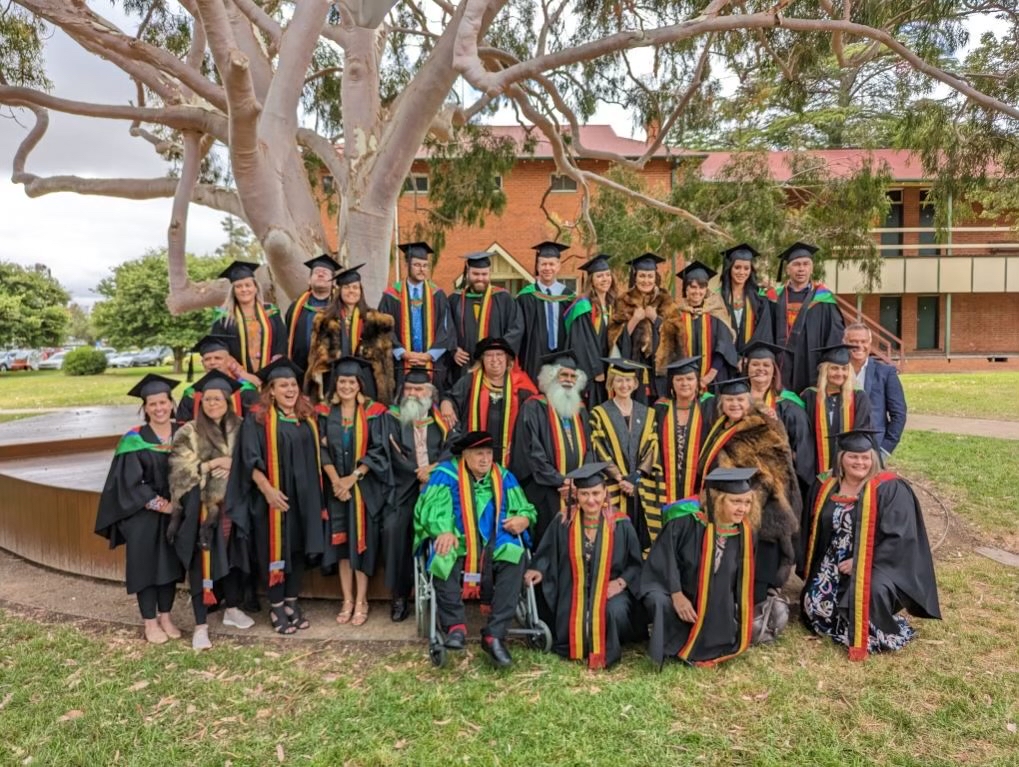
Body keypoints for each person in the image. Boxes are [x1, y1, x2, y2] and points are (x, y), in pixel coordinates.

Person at [801, 429, 941, 660]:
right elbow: (811, 527)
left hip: (878, 562)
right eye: (853, 456)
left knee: (865, 599)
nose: (860, 462)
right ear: (841, 458)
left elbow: (901, 537)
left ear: (873, 458)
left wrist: (861, 560)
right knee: (814, 606)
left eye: (866, 457)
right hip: (832, 560)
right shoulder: (826, 485)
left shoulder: (889, 488)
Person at [414, 431, 537, 668]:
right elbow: (430, 509)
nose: (485, 459)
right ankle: (455, 627)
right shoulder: (446, 475)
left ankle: (494, 634)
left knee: (515, 556)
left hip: (497, 539)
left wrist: (523, 519)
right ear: (465, 456)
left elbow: (525, 507)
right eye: (479, 453)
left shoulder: (503, 476)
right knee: (443, 555)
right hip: (457, 538)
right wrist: (443, 530)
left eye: (489, 453)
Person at [226, 357, 326, 635]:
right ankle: (276, 604)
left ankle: (292, 601)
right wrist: (268, 491)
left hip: (304, 499)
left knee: (296, 548)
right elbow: (248, 459)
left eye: (293, 384)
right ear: (271, 390)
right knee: (275, 549)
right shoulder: (258, 418)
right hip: (272, 498)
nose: (290, 390)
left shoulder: (306, 415)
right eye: (283, 385)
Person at [524, 462, 646, 669]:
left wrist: (620, 583)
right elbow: (546, 552)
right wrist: (538, 568)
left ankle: (607, 648)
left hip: (609, 588)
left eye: (596, 493)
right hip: (573, 587)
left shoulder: (621, 524)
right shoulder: (564, 521)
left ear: (605, 493)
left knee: (614, 611)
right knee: (562, 604)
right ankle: (576, 643)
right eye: (585, 494)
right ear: (576, 496)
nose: (591, 500)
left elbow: (636, 565)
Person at [698, 378, 801, 623]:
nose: (735, 404)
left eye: (740, 399)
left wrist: (743, 500)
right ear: (722, 403)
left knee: (756, 575)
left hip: (763, 514)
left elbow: (776, 474)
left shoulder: (763, 427)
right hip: (730, 509)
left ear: (749, 401)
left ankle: (757, 617)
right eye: (730, 400)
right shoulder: (721, 427)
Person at [94, 374, 185, 644]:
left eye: (163, 402)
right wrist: (163, 505)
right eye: (152, 404)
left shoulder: (184, 434)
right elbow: (129, 483)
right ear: (144, 408)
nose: (158, 408)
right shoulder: (134, 439)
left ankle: (166, 616)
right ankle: (149, 622)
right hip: (142, 514)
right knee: (145, 566)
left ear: (171, 403)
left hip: (175, 513)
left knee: (170, 564)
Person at [167, 370, 253, 650]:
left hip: (235, 506)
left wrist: (233, 463)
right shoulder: (188, 431)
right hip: (202, 510)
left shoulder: (242, 426)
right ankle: (201, 625)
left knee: (232, 556)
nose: (212, 403)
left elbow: (254, 461)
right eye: (207, 399)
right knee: (200, 562)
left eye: (218, 398)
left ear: (228, 400)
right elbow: (179, 471)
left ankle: (232, 609)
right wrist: (213, 464)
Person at [640, 467, 759, 667]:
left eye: (747, 502)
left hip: (714, 600)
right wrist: (676, 594)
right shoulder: (684, 523)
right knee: (658, 600)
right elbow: (664, 561)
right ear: (717, 500)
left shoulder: (744, 533)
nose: (743, 509)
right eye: (736, 501)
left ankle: (711, 641)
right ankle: (669, 643)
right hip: (676, 591)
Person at [319, 357, 392, 627]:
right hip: (336, 488)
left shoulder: (375, 412)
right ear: (335, 384)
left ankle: (362, 600)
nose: (346, 386)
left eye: (351, 381)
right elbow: (321, 448)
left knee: (361, 545)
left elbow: (379, 450)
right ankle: (346, 599)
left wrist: (353, 477)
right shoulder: (325, 412)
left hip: (364, 489)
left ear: (360, 384)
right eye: (342, 381)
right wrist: (337, 481)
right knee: (341, 546)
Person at [385, 367, 455, 622]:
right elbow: (388, 452)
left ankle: (443, 594)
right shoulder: (392, 418)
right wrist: (416, 471)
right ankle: (400, 595)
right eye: (409, 389)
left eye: (419, 389)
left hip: (437, 489)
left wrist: (433, 469)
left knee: (444, 528)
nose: (413, 394)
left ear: (430, 393)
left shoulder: (443, 420)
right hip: (404, 487)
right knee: (394, 529)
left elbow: (453, 451)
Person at [510, 350, 592, 544]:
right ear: (551, 377)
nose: (569, 380)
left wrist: (579, 483)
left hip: (576, 491)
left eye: (573, 376)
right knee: (549, 543)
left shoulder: (579, 410)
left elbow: (590, 449)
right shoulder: (534, 407)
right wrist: (561, 482)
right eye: (563, 374)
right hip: (545, 491)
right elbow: (532, 453)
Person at [589, 358, 661, 549]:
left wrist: (635, 477)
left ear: (635, 383)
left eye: (628, 380)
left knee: (641, 533)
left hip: (640, 485)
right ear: (611, 382)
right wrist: (620, 478)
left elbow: (653, 445)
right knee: (615, 535)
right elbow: (598, 446)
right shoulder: (599, 413)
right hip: (614, 484)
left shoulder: (648, 413)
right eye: (619, 380)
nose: (624, 385)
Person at [306, 263, 395, 406]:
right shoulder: (324, 320)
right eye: (346, 287)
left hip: (367, 381)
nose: (351, 291)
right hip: (334, 379)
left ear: (361, 291)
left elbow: (385, 361)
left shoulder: (376, 321)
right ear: (339, 291)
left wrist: (385, 392)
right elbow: (315, 357)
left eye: (355, 287)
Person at [439, 336, 536, 466]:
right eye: (489, 355)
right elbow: (451, 397)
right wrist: (446, 403)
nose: (494, 359)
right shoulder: (469, 382)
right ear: (482, 360)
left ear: (507, 359)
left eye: (499, 354)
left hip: (512, 456)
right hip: (474, 453)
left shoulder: (523, 386)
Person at [767, 242, 845, 396]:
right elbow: (765, 331)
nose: (801, 269)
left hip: (812, 364)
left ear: (812, 268)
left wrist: (829, 365)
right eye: (796, 264)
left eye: (805, 264)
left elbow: (834, 334)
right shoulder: (773, 297)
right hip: (779, 365)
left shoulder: (823, 298)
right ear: (788, 269)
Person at [607, 253, 684, 402]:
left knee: (660, 408)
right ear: (634, 277)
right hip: (633, 366)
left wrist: (655, 318)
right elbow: (613, 337)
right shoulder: (623, 300)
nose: (646, 280)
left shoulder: (665, 300)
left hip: (661, 368)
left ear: (656, 277)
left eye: (650, 276)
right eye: (642, 276)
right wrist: (634, 320)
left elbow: (678, 331)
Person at [742, 340, 815, 497]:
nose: (760, 369)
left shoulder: (789, 407)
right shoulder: (735, 404)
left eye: (766, 365)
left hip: (779, 484)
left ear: (774, 371)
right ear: (746, 368)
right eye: (755, 364)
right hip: (741, 482)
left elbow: (803, 451)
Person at [378, 241, 454, 392]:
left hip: (432, 363)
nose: (422, 270)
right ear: (407, 264)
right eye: (417, 265)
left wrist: (429, 355)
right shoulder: (391, 295)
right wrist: (402, 353)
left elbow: (445, 328)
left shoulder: (437, 294)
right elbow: (383, 328)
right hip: (400, 363)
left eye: (425, 265)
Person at [447, 251, 524, 382]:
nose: (480, 278)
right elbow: (447, 328)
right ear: (467, 273)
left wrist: (497, 354)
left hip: (496, 366)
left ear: (490, 274)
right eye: (476, 274)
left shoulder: (504, 298)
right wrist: (454, 349)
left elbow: (516, 328)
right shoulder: (455, 299)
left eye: (484, 274)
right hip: (464, 366)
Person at [800, 343, 874, 479]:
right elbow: (804, 434)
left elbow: (860, 433)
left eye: (844, 369)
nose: (840, 373)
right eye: (834, 368)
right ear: (824, 371)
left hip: (848, 470)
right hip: (814, 467)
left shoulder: (859, 398)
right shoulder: (809, 396)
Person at [654, 356, 716, 506]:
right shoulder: (660, 409)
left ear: (697, 383)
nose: (685, 383)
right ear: (671, 383)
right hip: (665, 483)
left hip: (699, 483)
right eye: (679, 379)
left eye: (689, 379)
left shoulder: (710, 407)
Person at [210, 260, 287, 375]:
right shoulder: (223, 316)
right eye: (238, 286)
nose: (244, 289)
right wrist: (239, 373)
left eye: (248, 285)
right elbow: (219, 348)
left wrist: (277, 358)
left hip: (271, 372)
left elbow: (282, 339)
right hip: (237, 375)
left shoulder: (271, 311)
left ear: (256, 288)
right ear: (233, 291)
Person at [515, 241, 576, 381]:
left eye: (551, 264)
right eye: (543, 264)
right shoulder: (525, 296)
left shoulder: (569, 297)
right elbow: (518, 329)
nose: (547, 268)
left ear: (559, 266)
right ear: (537, 266)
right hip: (534, 353)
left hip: (562, 352)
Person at [844, 322, 907, 458]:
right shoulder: (836, 371)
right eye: (853, 342)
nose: (859, 346)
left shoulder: (886, 372)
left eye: (863, 341)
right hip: (841, 446)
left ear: (870, 342)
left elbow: (899, 414)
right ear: (844, 342)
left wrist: (885, 450)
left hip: (874, 448)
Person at [675, 260, 739, 391]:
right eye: (692, 287)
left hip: (712, 380)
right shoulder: (676, 314)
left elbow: (724, 347)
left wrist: (708, 377)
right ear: (685, 288)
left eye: (701, 287)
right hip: (683, 382)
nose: (697, 291)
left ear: (706, 289)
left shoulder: (716, 311)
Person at [564, 254, 618, 408]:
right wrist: (596, 370)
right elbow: (582, 342)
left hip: (611, 370)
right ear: (591, 281)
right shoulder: (584, 306)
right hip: (594, 374)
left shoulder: (612, 304)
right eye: (600, 276)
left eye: (608, 275)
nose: (605, 279)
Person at [177, 334, 260, 422]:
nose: (212, 362)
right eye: (207, 359)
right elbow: (183, 426)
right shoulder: (191, 394)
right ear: (202, 363)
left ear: (228, 361)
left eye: (218, 358)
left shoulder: (246, 390)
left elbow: (255, 425)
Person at [285, 254, 340, 374]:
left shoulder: (339, 308)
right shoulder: (295, 308)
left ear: (334, 282)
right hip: (299, 369)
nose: (320, 274)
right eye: (316, 272)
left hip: (330, 371)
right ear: (309, 280)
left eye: (325, 273)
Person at [717, 243, 773, 354]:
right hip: (724, 358)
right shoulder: (718, 297)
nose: (742, 272)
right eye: (737, 267)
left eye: (746, 268)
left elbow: (763, 332)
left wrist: (749, 357)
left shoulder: (760, 299)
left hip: (751, 359)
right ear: (730, 269)